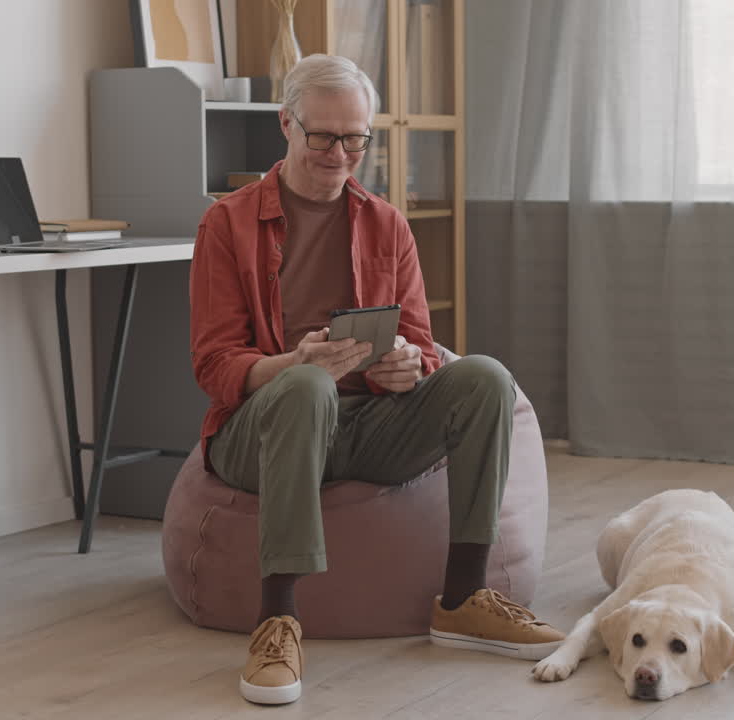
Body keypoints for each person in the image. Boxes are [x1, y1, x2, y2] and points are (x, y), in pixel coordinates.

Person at [188, 54, 565, 706]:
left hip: (366, 424)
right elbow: (214, 365)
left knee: (484, 377)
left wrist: (410, 367)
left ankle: (466, 596)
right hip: (262, 432)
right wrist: (293, 367)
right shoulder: (228, 224)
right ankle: (278, 619)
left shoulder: (386, 223)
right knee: (307, 389)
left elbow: (420, 341)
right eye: (323, 136)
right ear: (286, 123)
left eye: (355, 139)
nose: (340, 154)